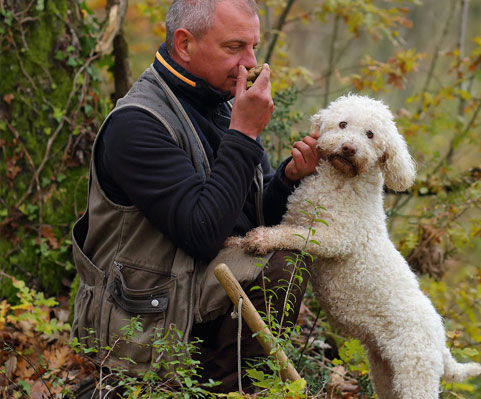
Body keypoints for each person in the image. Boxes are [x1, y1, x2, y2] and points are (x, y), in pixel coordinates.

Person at [71, 0, 319, 394]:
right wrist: (243, 135)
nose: (249, 63)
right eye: (234, 47)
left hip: (194, 295)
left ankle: (229, 388)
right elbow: (202, 232)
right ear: (185, 44)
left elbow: (250, 220)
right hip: (144, 322)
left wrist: (289, 178)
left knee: (288, 249)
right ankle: (205, 390)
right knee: (281, 264)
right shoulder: (137, 123)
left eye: (254, 47)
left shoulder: (219, 105)